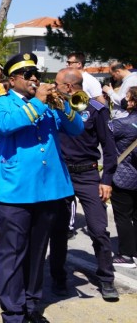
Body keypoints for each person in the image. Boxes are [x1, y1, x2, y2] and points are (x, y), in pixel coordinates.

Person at [0, 53, 84, 323]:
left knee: (38, 252)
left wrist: (63, 105)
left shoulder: (50, 104)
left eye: (36, 74)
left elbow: (77, 129)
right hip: (15, 191)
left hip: (49, 189)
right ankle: (13, 313)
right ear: (12, 79)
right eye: (27, 74)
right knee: (13, 254)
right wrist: (39, 102)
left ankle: (30, 306)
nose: (34, 79)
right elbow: (5, 126)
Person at [48, 67, 119, 300]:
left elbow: (109, 149)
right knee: (58, 230)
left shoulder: (97, 110)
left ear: (69, 86)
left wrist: (106, 179)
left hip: (88, 175)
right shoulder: (52, 107)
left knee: (99, 229)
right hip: (62, 174)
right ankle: (58, 277)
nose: (54, 87)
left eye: (57, 83)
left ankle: (107, 278)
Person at [110, 86, 137, 268]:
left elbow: (102, 131)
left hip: (123, 176)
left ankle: (126, 255)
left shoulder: (124, 124)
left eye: (127, 98)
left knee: (123, 216)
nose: (125, 101)